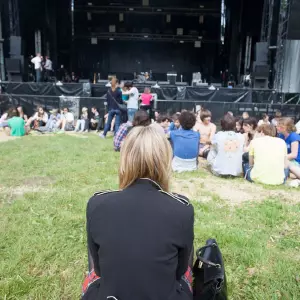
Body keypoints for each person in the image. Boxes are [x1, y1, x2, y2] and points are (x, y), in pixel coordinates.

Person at [83, 126, 194, 300]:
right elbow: (179, 271)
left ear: (125, 159)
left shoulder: (97, 203)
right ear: (165, 161)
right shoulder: (182, 208)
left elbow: (98, 270)